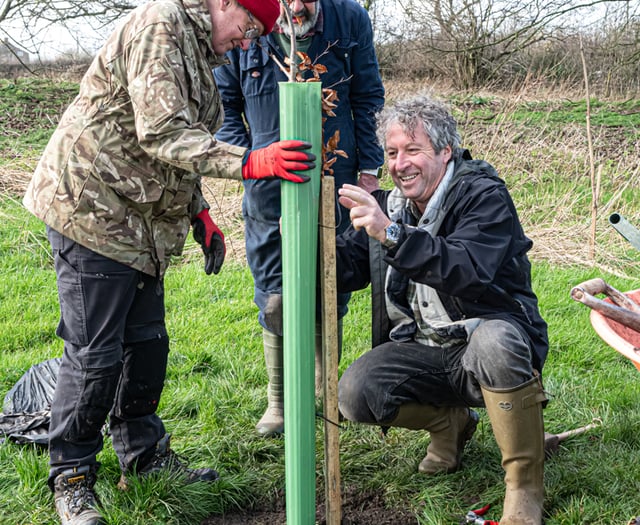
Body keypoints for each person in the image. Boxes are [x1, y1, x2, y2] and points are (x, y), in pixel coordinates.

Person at [21, 0, 316, 523]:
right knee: (95, 355)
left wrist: (199, 211)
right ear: (227, 3)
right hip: (93, 209)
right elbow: (160, 131)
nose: (248, 41)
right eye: (250, 26)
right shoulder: (161, 26)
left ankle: (144, 458)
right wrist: (250, 161)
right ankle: (71, 477)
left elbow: (182, 142)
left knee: (147, 344)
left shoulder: (201, 49)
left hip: (141, 222)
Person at [334, 94, 549, 525]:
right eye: (392, 153)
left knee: (496, 340)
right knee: (357, 393)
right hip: (427, 348)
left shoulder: (482, 194)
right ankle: (450, 425)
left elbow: (466, 269)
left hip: (486, 342)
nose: (400, 164)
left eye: (413, 150)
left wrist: (392, 235)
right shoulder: (392, 205)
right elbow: (349, 268)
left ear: (445, 152)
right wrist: (306, 241)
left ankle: (524, 486)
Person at [213, 0, 385, 437]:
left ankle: (327, 393)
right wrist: (246, 161)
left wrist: (369, 168)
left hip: (337, 174)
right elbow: (224, 107)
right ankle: (281, 400)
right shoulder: (243, 22)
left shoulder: (350, 18)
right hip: (267, 181)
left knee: (334, 281)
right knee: (275, 291)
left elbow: (367, 96)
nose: (295, 6)